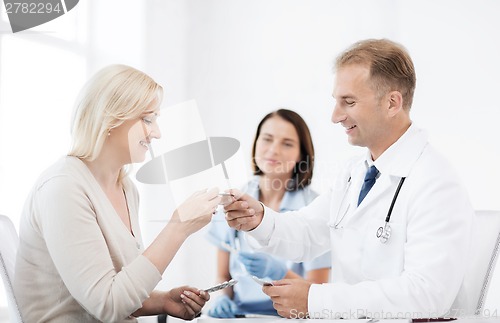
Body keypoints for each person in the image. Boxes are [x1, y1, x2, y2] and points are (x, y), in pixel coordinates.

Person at [223, 39, 474, 319]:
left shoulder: (436, 182)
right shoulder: (354, 173)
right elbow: (307, 233)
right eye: (336, 101)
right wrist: (258, 219)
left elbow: (427, 296)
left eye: (349, 102)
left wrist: (316, 299)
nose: (335, 116)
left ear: (392, 103)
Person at [14, 64, 221, 322]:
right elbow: (108, 305)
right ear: (110, 119)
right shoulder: (63, 187)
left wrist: (164, 300)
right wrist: (178, 227)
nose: (157, 132)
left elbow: (120, 290)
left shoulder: (126, 187)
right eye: (148, 119)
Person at [206, 109, 331, 318]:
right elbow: (222, 275)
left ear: (302, 154)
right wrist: (222, 298)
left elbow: (318, 294)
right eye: (267, 139)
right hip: (240, 315)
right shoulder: (233, 200)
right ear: (256, 143)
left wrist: (279, 272)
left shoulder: (316, 207)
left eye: (287, 143)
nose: (273, 150)